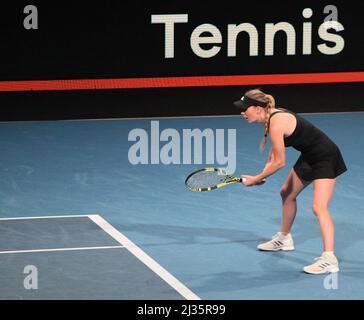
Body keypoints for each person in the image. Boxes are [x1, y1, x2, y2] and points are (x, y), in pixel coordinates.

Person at [234, 88, 347, 274]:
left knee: (319, 207)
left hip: (327, 157)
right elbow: (274, 154)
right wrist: (262, 174)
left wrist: (257, 178)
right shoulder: (271, 118)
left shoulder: (276, 124)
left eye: (245, 108)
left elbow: (280, 162)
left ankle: (329, 259)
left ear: (258, 108)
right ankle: (284, 238)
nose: (242, 112)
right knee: (286, 193)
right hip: (310, 157)